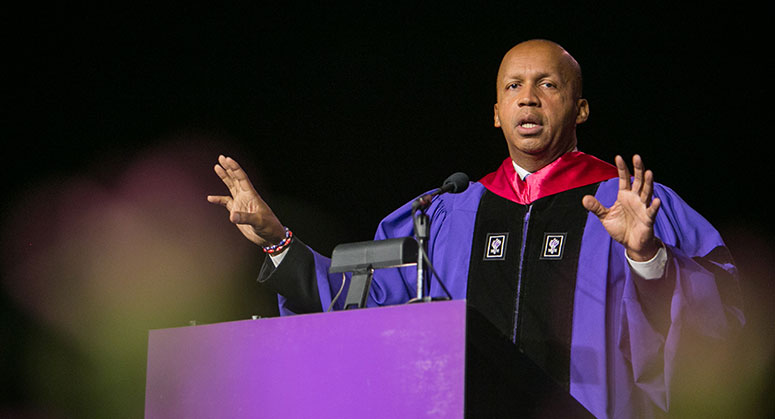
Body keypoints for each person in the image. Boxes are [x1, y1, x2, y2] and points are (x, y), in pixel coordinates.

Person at [207, 40, 743, 418]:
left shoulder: (631, 201)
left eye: (547, 84)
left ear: (579, 109)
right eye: (514, 85)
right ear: (496, 112)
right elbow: (360, 309)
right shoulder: (447, 212)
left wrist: (648, 257)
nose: (528, 97)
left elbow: (721, 320)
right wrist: (279, 241)